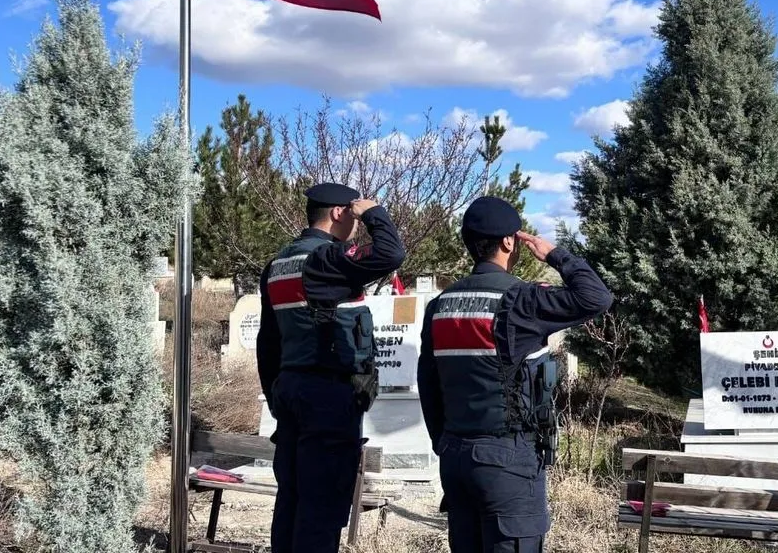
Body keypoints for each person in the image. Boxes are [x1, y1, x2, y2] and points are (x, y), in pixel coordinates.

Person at [418, 196, 613, 552]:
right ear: (509, 242)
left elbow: (428, 384)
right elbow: (596, 298)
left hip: (455, 458)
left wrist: (443, 443)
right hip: (507, 461)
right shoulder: (522, 299)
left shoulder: (439, 305)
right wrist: (555, 254)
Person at [255, 182, 406, 553]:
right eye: (351, 214)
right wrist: (374, 213)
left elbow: (268, 342)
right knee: (321, 509)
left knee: (291, 502)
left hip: (291, 391)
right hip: (327, 397)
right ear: (340, 213)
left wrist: (277, 395)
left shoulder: (277, 265)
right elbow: (391, 254)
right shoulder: (328, 259)